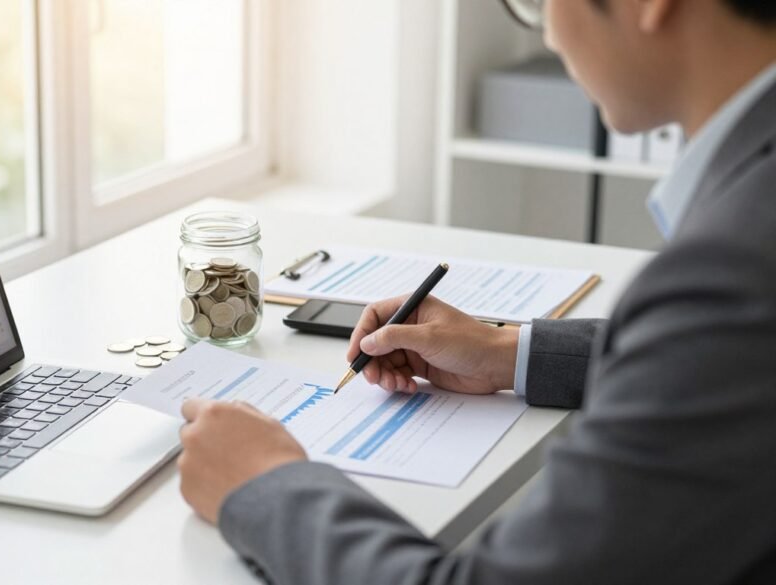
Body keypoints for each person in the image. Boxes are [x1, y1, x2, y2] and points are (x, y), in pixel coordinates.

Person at [177, 0, 776, 582]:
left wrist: (263, 482)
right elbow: (718, 363)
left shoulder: (735, 266)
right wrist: (506, 350)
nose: (548, 35)